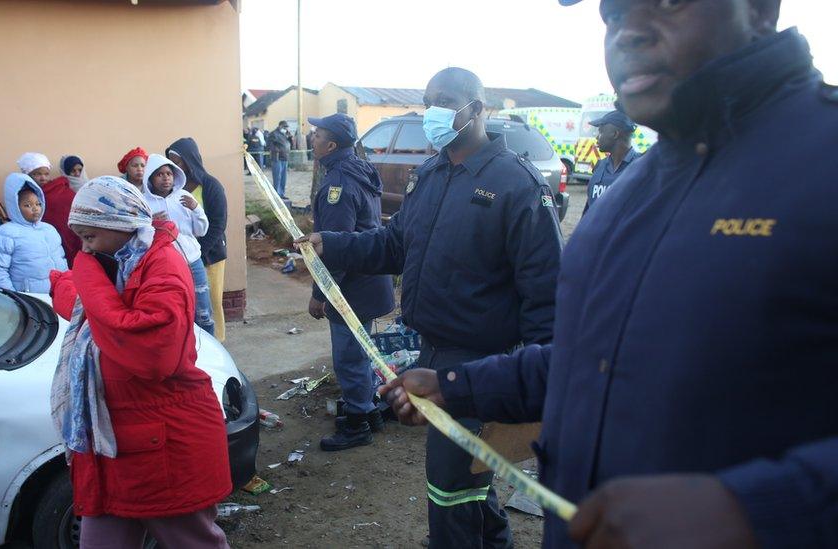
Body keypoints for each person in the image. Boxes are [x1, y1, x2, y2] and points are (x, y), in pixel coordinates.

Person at [380, 1, 838, 548]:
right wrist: (460, 386)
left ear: (759, 9)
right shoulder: (634, 190)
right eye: (614, 12)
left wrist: (757, 511)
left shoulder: (822, 162)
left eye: (668, 3)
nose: (629, 33)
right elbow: (588, 360)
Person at [298, 67, 563, 548]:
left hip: (482, 362)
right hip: (431, 352)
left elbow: (546, 294)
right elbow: (394, 245)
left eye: (444, 100)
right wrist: (329, 243)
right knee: (465, 482)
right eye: (427, 101)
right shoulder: (432, 174)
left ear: (478, 110)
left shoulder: (516, 185)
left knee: (449, 488)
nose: (432, 111)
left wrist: (536, 385)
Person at [48, 176, 231, 549]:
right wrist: (70, 286)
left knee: (193, 542)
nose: (83, 249)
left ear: (120, 223)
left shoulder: (161, 264)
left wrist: (83, 278)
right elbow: (97, 319)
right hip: (116, 443)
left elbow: (151, 352)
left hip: (164, 445)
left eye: (89, 237)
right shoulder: (117, 261)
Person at [306, 113, 395, 451]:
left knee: (349, 356)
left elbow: (336, 247)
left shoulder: (337, 185)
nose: (311, 139)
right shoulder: (359, 168)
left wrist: (319, 294)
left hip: (352, 288)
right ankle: (369, 411)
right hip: (371, 278)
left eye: (317, 135)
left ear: (330, 145)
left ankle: (357, 423)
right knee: (361, 351)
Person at [141, 153, 215, 336]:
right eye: (159, 174)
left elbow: (201, 230)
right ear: (150, 177)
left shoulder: (184, 197)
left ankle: (209, 349)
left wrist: (196, 209)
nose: (166, 178)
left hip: (193, 261)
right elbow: (139, 238)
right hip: (165, 266)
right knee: (176, 310)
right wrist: (150, 223)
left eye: (169, 173)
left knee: (203, 310)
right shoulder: (144, 202)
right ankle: (185, 348)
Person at [166, 138, 230, 341]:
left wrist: (198, 253)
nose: (175, 166)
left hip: (209, 255)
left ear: (189, 160)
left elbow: (218, 224)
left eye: (178, 161)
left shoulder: (210, 185)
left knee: (210, 302)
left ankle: (217, 343)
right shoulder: (174, 188)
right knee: (190, 302)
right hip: (182, 257)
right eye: (171, 162)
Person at [0, 173, 67, 293]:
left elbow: (61, 260)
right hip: (27, 300)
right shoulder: (5, 234)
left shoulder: (49, 230)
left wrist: (65, 286)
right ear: (15, 206)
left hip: (55, 296)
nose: (35, 208)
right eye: (27, 205)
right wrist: (12, 297)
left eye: (38, 204)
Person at [582, 110, 640, 215]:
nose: (596, 137)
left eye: (601, 131)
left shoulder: (642, 168)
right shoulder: (600, 166)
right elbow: (588, 211)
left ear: (615, 134)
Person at [41, 154, 86, 267]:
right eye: (72, 171)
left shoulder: (89, 186)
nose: (76, 174)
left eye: (79, 170)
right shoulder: (60, 189)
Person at [268, 121, 292, 198]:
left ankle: (282, 193)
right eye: (284, 127)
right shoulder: (273, 133)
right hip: (277, 158)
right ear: (280, 126)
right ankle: (276, 194)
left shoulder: (285, 134)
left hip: (285, 157)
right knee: (277, 177)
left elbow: (289, 143)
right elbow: (269, 144)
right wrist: (276, 149)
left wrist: (290, 137)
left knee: (283, 177)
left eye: (286, 127)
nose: (285, 128)